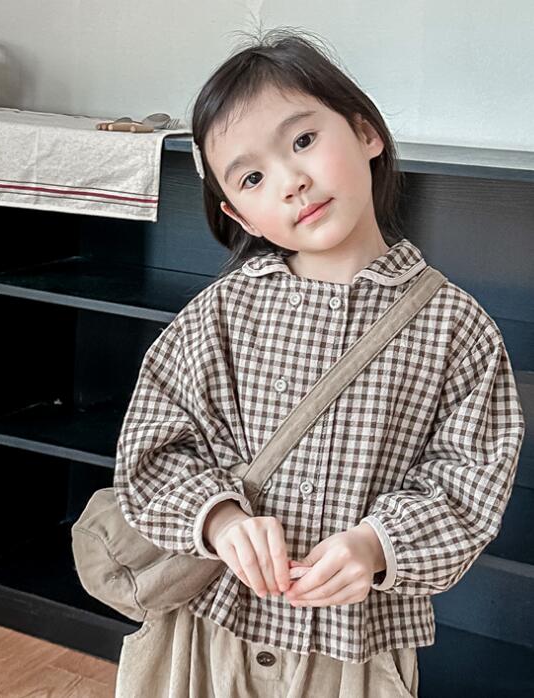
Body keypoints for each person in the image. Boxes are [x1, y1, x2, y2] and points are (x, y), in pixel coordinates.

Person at [111, 27, 526, 697]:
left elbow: (469, 485)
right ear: (240, 214)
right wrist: (220, 520)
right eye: (253, 177)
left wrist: (376, 545)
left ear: (365, 132)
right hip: (210, 630)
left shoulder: (459, 330)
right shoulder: (217, 315)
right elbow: (150, 456)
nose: (292, 181)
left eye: (303, 140)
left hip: (355, 649)